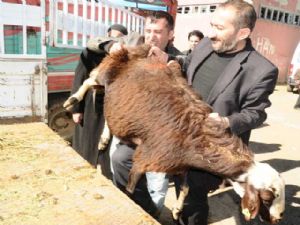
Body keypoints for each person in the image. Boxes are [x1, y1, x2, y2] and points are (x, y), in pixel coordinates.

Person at [172, 1, 279, 224]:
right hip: (180, 135)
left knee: (191, 198)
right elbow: (186, 69)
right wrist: (169, 62)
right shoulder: (203, 46)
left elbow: (256, 114)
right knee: (179, 190)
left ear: (243, 32)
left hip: (212, 147)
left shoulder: (262, 70)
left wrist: (226, 121)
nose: (211, 33)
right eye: (211, 25)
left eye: (219, 28)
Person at [86, 10, 182, 217]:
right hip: (130, 128)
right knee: (119, 162)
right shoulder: (134, 47)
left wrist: (169, 64)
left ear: (170, 34)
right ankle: (130, 206)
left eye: (158, 31)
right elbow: (93, 42)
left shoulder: (177, 59)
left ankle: (151, 213)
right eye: (148, 30)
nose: (151, 36)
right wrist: (111, 46)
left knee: (156, 180)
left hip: (160, 135)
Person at [70, 24, 128, 180]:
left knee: (106, 145)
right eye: (112, 36)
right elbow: (79, 78)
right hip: (90, 104)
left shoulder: (124, 57)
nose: (114, 39)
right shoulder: (91, 53)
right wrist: (77, 109)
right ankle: (84, 172)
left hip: (112, 106)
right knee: (86, 142)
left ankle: (106, 176)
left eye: (118, 37)